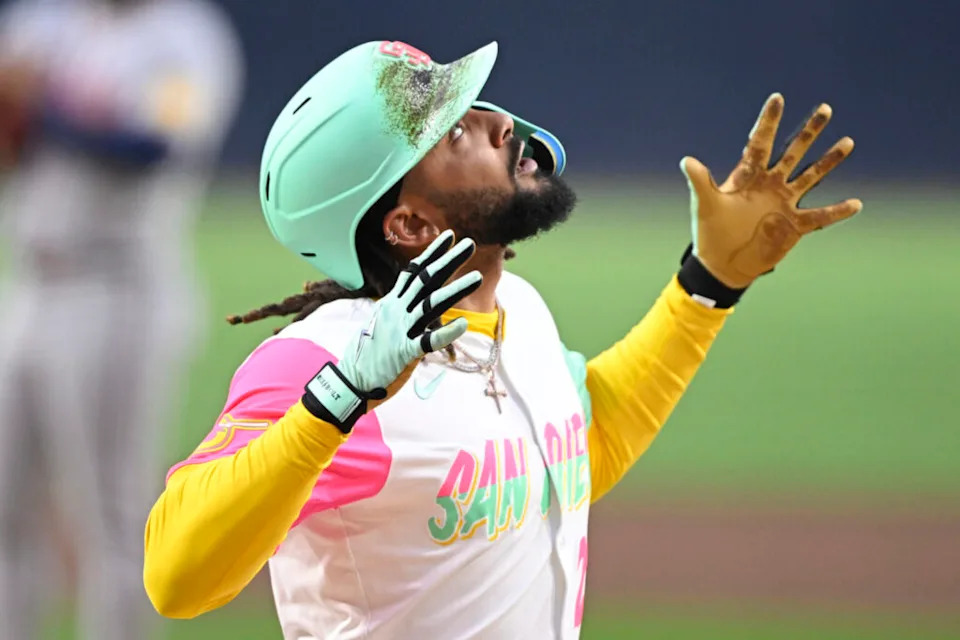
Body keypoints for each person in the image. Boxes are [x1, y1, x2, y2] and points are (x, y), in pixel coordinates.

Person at [143, 40, 861, 639]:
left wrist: (706, 287)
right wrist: (339, 399)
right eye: (453, 130)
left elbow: (574, 454)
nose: (496, 122)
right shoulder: (328, 360)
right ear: (410, 226)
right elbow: (175, 577)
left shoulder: (518, 308)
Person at [0, 1, 243, 638]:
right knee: (5, 509)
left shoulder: (184, 40)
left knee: (112, 512)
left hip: (117, 292)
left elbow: (156, 144)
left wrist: (44, 102)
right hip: (30, 283)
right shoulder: (44, 24)